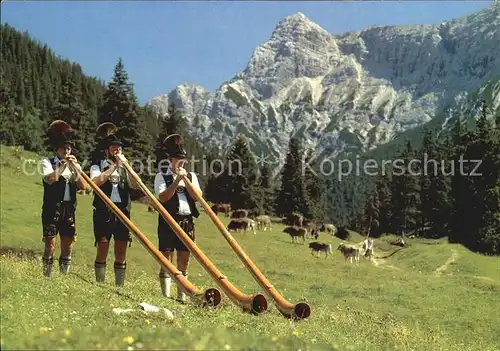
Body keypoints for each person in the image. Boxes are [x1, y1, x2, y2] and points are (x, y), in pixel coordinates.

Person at [90, 122, 139, 286]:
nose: (117, 150)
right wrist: (114, 167)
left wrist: (126, 166)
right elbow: (95, 182)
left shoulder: (126, 166)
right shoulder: (98, 164)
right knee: (103, 246)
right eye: (113, 148)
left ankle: (120, 285)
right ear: (107, 150)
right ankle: (100, 282)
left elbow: (136, 185)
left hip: (123, 211)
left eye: (119, 147)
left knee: (121, 248)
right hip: (104, 211)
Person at [154, 134, 203, 302]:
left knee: (184, 259)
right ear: (170, 160)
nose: (181, 163)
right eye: (178, 160)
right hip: (168, 221)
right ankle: (166, 295)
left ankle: (182, 295)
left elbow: (197, 197)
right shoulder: (162, 176)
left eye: (183, 161)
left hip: (187, 222)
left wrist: (185, 180)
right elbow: (163, 197)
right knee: (166, 258)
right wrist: (176, 181)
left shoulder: (191, 176)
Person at [41, 120, 87, 277]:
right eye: (64, 149)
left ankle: (63, 276)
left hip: (69, 209)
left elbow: (83, 186)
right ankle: (46, 276)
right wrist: (62, 166)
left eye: (69, 148)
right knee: (50, 244)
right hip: (52, 207)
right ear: (57, 150)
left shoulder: (76, 166)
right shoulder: (47, 162)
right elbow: (50, 179)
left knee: (67, 244)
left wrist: (76, 170)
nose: (67, 151)